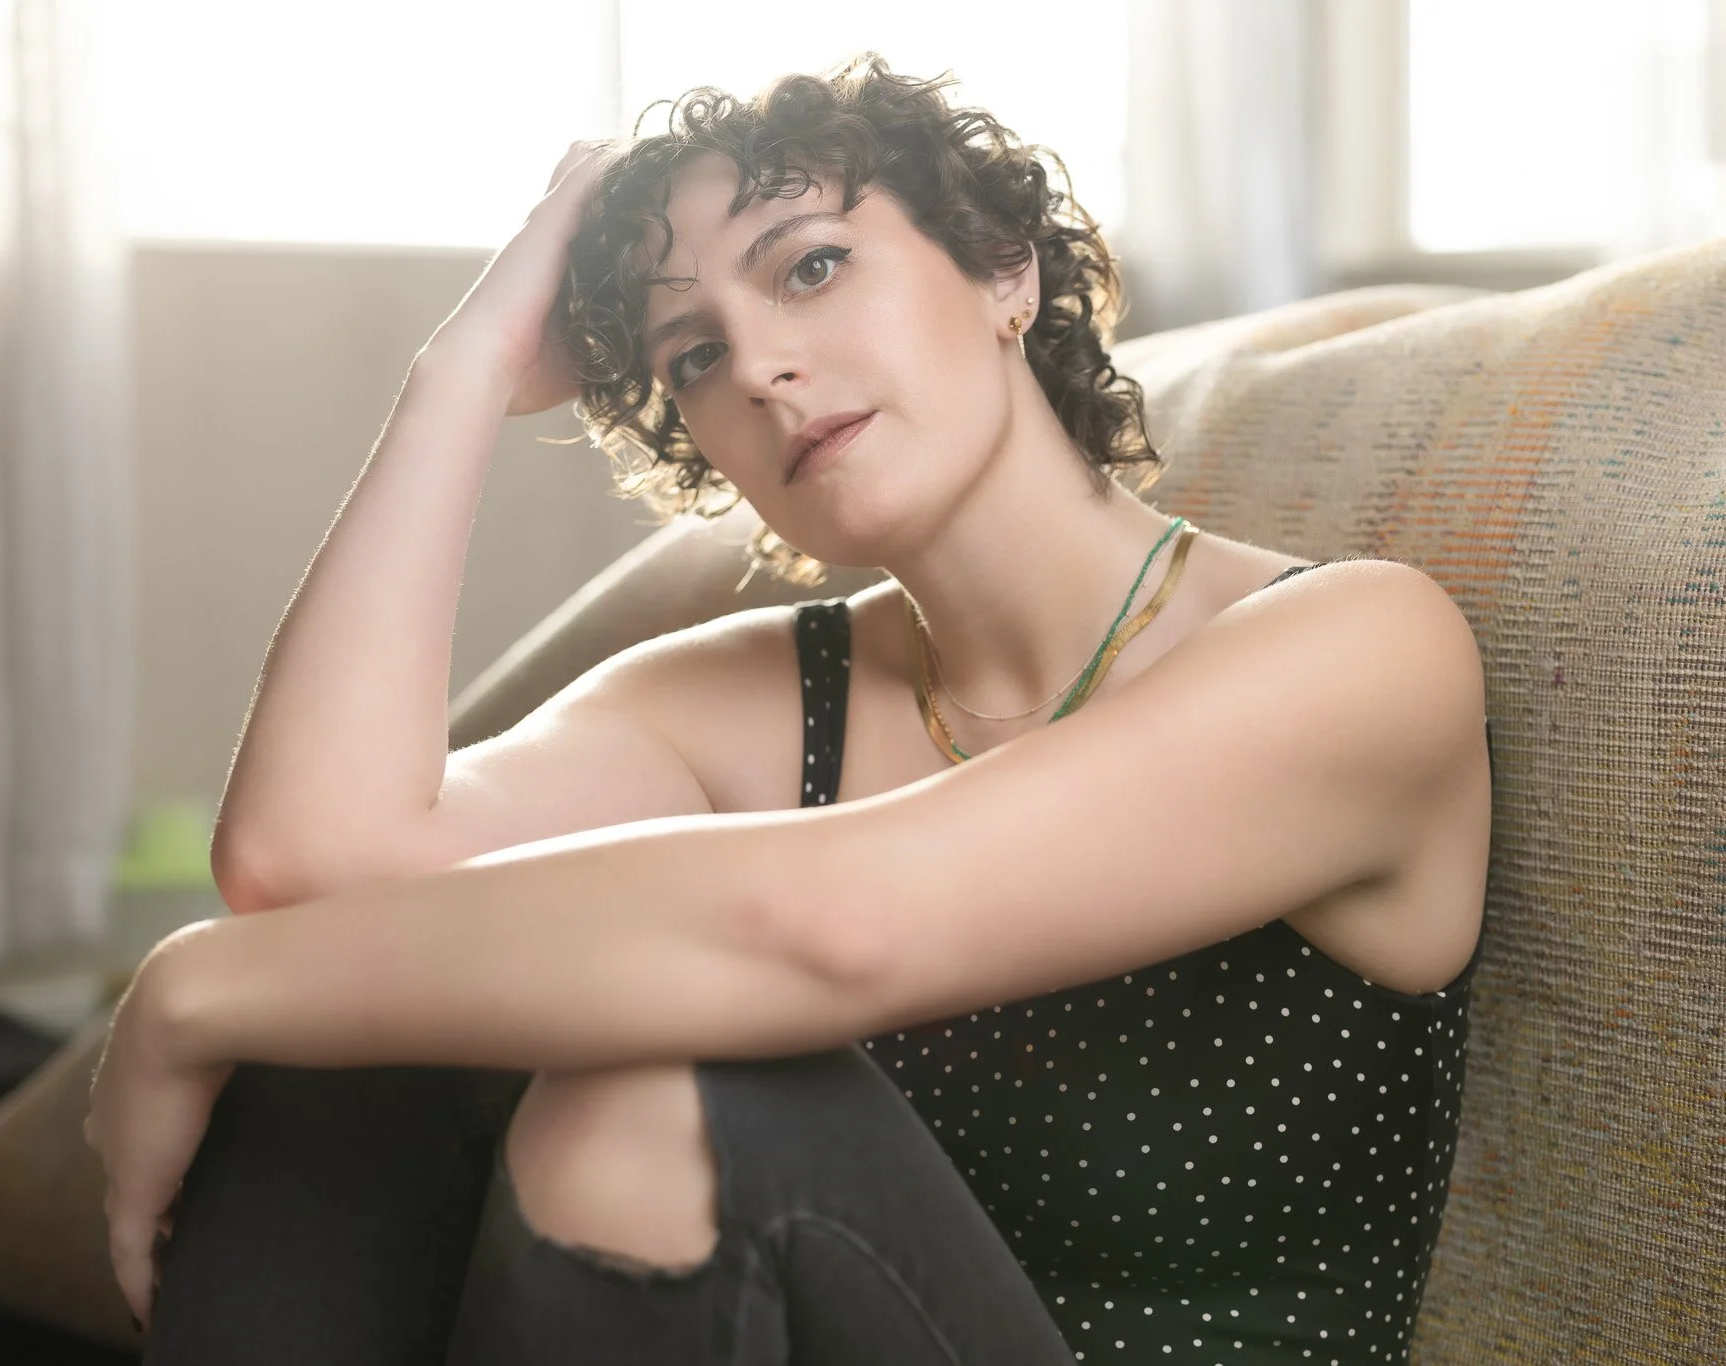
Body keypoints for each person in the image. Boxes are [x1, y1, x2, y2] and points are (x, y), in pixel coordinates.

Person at [83, 53, 1493, 1365]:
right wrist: (454, 379)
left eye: (811, 267)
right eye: (693, 352)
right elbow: (308, 865)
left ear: (1005, 269)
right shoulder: (753, 696)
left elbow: (841, 923)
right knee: (350, 1040)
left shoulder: (1358, 649)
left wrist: (193, 987)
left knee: (655, 1099)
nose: (756, 365)